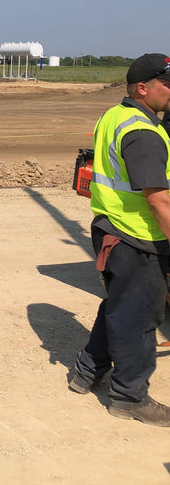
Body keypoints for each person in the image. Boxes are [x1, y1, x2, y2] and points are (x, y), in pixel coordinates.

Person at [69, 53, 170, 426]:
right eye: (168, 84)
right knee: (140, 314)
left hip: (110, 226)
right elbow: (158, 199)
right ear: (143, 88)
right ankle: (129, 396)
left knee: (121, 304)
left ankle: (86, 370)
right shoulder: (143, 133)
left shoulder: (115, 115)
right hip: (138, 234)